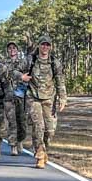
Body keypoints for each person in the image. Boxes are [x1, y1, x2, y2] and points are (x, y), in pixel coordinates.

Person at [17, 34, 65, 169]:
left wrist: (63, 98)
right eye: (43, 44)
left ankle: (44, 149)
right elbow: (13, 71)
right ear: (39, 45)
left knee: (50, 130)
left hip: (49, 98)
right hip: (33, 97)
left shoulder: (54, 62)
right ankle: (39, 153)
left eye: (47, 45)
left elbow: (60, 80)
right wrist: (21, 76)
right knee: (38, 126)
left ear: (50, 47)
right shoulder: (30, 60)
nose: (45, 47)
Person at [2, 41, 29, 156]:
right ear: (7, 51)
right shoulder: (4, 63)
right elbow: (7, 73)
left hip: (21, 96)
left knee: (22, 123)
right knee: (12, 122)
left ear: (17, 50)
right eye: (10, 48)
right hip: (8, 96)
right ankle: (13, 145)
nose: (12, 50)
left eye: (14, 48)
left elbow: (29, 73)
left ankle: (20, 140)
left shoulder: (23, 62)